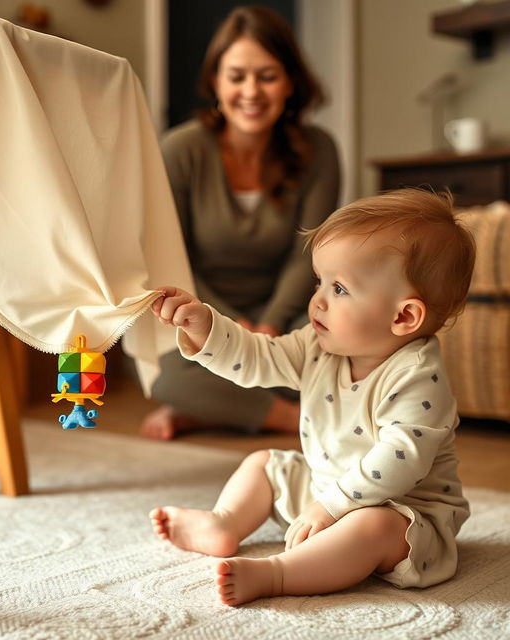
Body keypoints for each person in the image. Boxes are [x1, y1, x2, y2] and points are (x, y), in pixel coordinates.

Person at [148, 188, 475, 606]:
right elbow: (257, 359)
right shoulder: (318, 346)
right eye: (319, 281)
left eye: (338, 289)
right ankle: (223, 523)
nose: (317, 300)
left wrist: (333, 507)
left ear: (403, 316)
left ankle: (279, 573)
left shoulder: (418, 377)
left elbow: (401, 459)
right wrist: (206, 327)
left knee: (372, 527)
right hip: (327, 489)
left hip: (405, 515)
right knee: (264, 463)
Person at [140, 5, 340, 440]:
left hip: (288, 317)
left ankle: (211, 411)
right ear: (215, 82)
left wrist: (267, 325)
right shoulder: (180, 149)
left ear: (290, 82)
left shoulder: (319, 149)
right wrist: (225, 325)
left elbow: (310, 254)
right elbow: (172, 257)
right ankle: (296, 419)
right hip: (200, 313)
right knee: (165, 376)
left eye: (267, 76)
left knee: (341, 351)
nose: (251, 91)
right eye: (236, 76)